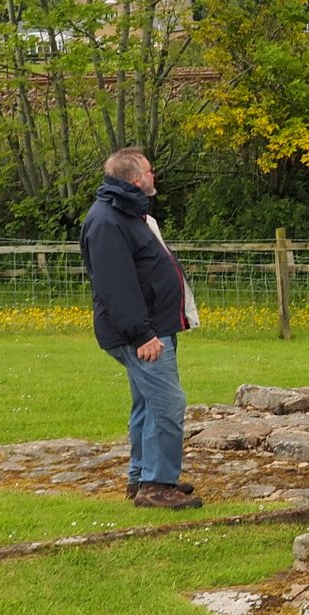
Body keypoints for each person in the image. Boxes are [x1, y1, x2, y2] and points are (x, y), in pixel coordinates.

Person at [80, 147, 203, 509]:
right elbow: (115, 286)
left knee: (148, 403)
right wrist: (142, 334)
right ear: (135, 179)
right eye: (150, 171)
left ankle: (141, 478)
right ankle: (157, 486)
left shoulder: (127, 213)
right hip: (142, 333)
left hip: (153, 326)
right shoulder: (107, 221)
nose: (154, 176)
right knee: (167, 403)